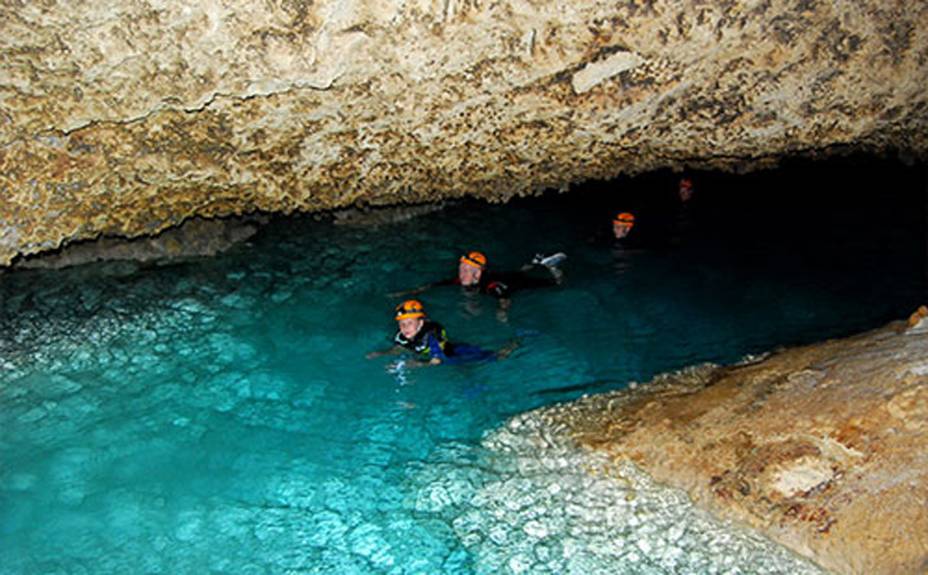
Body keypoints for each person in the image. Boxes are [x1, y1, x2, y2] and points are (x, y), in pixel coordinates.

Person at [366, 299, 515, 365]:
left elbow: (436, 361)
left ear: (421, 323)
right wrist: (382, 354)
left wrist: (417, 364)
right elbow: (400, 348)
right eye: (402, 324)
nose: (405, 328)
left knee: (492, 357)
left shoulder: (431, 334)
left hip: (454, 352)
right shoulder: (402, 336)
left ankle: (511, 347)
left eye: (410, 323)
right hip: (433, 355)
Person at [391, 250, 566, 303]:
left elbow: (503, 298)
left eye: (467, 271)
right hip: (501, 275)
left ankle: (552, 267)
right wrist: (410, 292)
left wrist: (502, 316)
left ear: (478, 273)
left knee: (556, 284)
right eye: (461, 269)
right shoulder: (462, 279)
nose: (462, 274)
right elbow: (437, 285)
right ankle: (535, 262)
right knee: (516, 272)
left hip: (513, 283)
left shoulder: (491, 286)